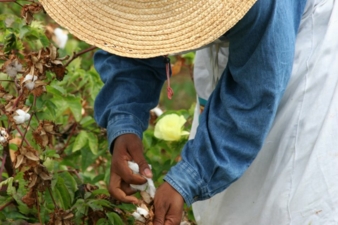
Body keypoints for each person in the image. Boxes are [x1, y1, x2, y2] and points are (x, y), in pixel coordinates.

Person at [40, 0, 338, 224]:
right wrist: (124, 121)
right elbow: (134, 29)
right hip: (240, 38)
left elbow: (254, 90)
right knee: (230, 208)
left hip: (297, 49)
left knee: (285, 207)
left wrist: (189, 178)